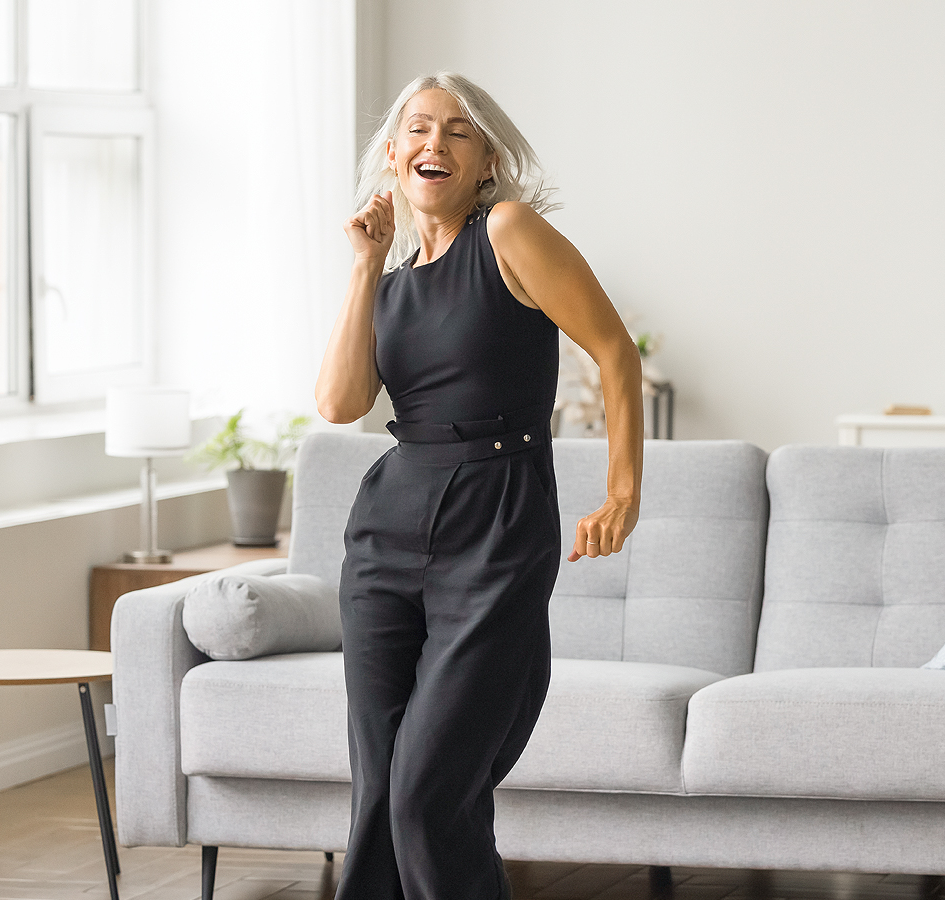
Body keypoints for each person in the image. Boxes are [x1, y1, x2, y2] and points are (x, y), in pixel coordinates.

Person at [314, 71, 645, 900]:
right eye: (419, 129)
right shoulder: (386, 283)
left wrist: (623, 490)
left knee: (428, 796)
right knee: (379, 797)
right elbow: (340, 403)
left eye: (459, 132)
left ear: (486, 157)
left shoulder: (507, 230)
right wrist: (362, 265)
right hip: (387, 525)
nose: (436, 144)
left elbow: (613, 349)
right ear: (392, 154)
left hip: (497, 515)